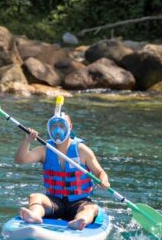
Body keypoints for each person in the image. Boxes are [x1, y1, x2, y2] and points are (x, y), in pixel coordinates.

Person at [14, 98, 110, 230]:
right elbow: (21, 160)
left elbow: (100, 172)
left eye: (61, 126)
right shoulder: (45, 150)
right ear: (49, 128)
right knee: (35, 196)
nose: (57, 129)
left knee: (91, 208)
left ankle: (80, 221)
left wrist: (103, 180)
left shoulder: (82, 150)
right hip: (54, 201)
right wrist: (27, 141)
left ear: (70, 127)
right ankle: (35, 216)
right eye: (54, 126)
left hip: (79, 202)